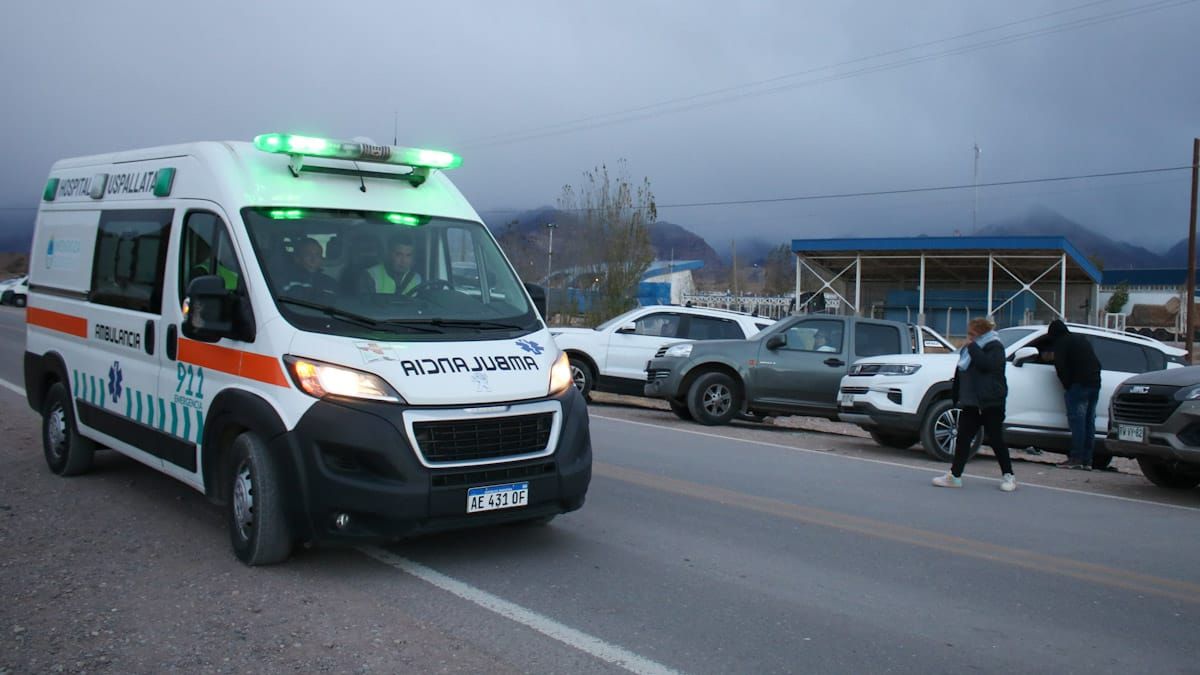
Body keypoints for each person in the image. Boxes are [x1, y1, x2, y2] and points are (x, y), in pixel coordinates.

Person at [933, 317, 1017, 491]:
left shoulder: (995, 347)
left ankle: (1009, 475)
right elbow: (962, 370)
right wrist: (957, 394)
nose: (969, 337)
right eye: (968, 334)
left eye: (972, 334)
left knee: (996, 439)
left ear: (981, 333)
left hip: (991, 402)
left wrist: (972, 347)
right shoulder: (970, 349)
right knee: (963, 439)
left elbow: (986, 365)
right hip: (971, 403)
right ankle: (955, 476)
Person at [1045, 319, 1102, 470]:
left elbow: (1060, 366)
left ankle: (1076, 458)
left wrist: (1068, 385)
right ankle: (1087, 460)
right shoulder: (1081, 339)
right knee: (1089, 423)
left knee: (1078, 423)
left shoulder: (1061, 342)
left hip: (1078, 386)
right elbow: (1096, 363)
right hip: (1094, 383)